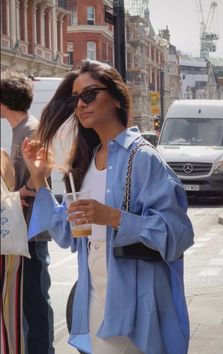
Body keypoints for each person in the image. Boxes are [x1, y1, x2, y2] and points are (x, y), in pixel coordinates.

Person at [22, 60, 194, 354]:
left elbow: (179, 234)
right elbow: (68, 233)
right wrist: (39, 178)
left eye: (89, 94)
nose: (81, 104)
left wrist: (115, 217)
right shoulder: (86, 160)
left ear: (116, 98)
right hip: (93, 297)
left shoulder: (142, 158)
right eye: (76, 98)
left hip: (135, 302)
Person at [0, 72, 54, 354]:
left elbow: (43, 169)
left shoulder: (30, 130)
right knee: (29, 302)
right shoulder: (22, 129)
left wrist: (24, 191)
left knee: (35, 302)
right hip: (26, 228)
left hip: (33, 228)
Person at [0, 148, 25, 354]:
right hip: (7, 245)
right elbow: (9, 192)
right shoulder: (2, 156)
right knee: (9, 314)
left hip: (5, 248)